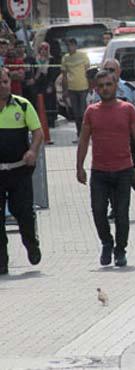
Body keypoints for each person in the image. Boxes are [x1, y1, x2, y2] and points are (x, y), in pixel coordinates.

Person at [76, 70, 135, 267]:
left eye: (109, 84)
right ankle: (107, 242)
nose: (105, 88)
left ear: (116, 86)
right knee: (98, 211)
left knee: (122, 213)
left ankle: (120, 250)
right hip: (99, 172)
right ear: (96, 89)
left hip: (124, 170)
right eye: (101, 86)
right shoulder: (91, 111)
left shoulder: (128, 109)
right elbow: (83, 140)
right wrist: (79, 167)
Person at [89, 58, 135, 218]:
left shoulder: (129, 89)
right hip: (107, 141)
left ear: (119, 72)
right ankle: (115, 207)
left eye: (113, 70)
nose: (109, 73)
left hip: (128, 139)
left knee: (133, 175)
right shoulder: (97, 91)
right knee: (109, 174)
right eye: (107, 69)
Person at [0, 68, 44, 275]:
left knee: (23, 211)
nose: (3, 86)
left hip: (19, 171)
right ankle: (2, 261)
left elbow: (37, 132)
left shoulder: (23, 105)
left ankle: (31, 244)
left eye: (5, 81)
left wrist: (32, 150)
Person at [61, 38, 90, 140]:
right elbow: (64, 76)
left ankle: (86, 133)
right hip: (72, 89)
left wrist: (90, 87)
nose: (69, 48)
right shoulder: (65, 58)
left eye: (71, 45)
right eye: (67, 46)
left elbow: (88, 71)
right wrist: (64, 91)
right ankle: (79, 134)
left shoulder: (83, 56)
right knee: (76, 113)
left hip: (83, 88)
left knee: (83, 113)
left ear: (75, 45)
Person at [32, 42, 58, 127]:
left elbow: (53, 73)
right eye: (41, 49)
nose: (43, 51)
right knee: (38, 102)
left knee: (49, 102)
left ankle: (50, 121)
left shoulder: (51, 60)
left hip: (48, 83)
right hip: (38, 83)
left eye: (45, 49)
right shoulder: (35, 59)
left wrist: (50, 85)